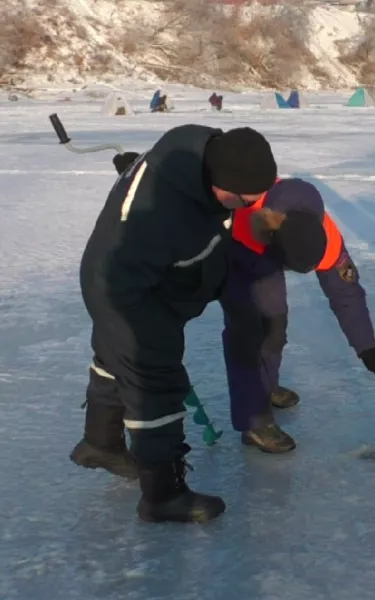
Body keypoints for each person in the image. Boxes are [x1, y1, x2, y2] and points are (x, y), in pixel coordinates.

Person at [70, 124, 278, 523]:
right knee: (156, 383)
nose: (242, 207)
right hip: (129, 296)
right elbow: (137, 252)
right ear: (216, 180)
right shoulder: (162, 216)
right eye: (238, 199)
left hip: (142, 281)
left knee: (114, 359)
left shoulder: (196, 147)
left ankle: (99, 443)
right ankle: (162, 495)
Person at [221, 177, 375, 453]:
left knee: (276, 326)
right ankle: (253, 421)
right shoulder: (244, 218)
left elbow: (347, 296)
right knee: (250, 332)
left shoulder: (327, 241)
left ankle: (266, 386)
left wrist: (370, 353)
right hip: (238, 250)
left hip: (268, 246)